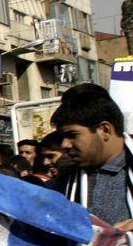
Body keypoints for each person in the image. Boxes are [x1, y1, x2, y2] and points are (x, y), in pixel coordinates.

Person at [51, 83, 133, 230]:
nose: (65, 145)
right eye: (63, 137)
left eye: (72, 135)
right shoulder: (67, 179)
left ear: (104, 130)